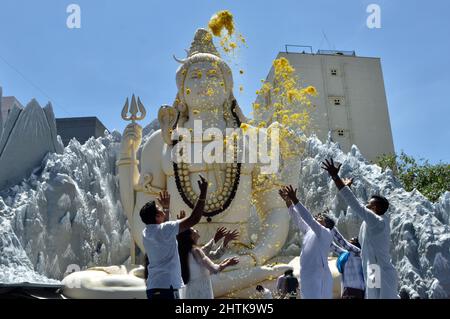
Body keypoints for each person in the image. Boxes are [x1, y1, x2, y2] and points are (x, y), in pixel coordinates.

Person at [322, 158, 398, 299]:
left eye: (369, 205)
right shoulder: (372, 221)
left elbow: (356, 205)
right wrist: (347, 188)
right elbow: (356, 205)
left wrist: (335, 177)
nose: (366, 206)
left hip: (382, 270)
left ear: (375, 208)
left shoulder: (378, 221)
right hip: (373, 269)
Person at [141, 175, 208, 300]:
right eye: (159, 209)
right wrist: (203, 194)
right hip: (168, 287)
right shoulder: (165, 229)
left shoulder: (146, 233)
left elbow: (163, 228)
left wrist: (166, 208)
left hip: (152, 287)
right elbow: (194, 218)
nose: (162, 209)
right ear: (156, 216)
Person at [279, 185, 334, 299]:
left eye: (321, 217)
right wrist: (289, 202)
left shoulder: (325, 232)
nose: (318, 216)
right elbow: (298, 219)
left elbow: (308, 218)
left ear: (326, 224)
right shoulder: (310, 230)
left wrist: (295, 200)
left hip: (318, 273)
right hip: (306, 272)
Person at [177, 228, 239, 299]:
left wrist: (224, 241)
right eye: (194, 230)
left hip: (188, 292)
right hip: (201, 291)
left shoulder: (181, 253)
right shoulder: (196, 251)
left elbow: (202, 270)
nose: (197, 231)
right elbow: (214, 269)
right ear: (191, 236)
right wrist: (228, 263)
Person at [330, 228, 365, 299]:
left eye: (352, 242)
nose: (350, 243)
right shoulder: (346, 254)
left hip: (356, 291)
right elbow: (333, 247)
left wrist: (331, 227)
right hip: (346, 290)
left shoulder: (357, 253)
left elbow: (342, 242)